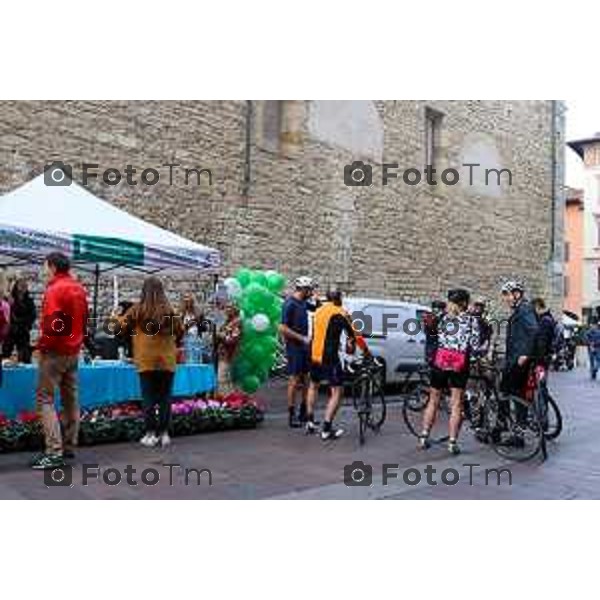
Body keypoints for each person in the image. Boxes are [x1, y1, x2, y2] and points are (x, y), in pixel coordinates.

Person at [31, 252, 88, 470]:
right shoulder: (78, 288)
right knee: (70, 397)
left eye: (45, 266)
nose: (44, 271)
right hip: (73, 351)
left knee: (45, 398)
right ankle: (69, 445)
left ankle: (54, 451)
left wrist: (43, 345)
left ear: (53, 266)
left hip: (55, 351)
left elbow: (56, 323)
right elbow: (82, 320)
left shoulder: (55, 289)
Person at [117, 277, 183, 448]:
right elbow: (180, 330)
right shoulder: (169, 310)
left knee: (148, 397)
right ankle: (165, 434)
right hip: (167, 359)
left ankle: (150, 433)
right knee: (165, 397)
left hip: (145, 359)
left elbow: (120, 327)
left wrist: (116, 316)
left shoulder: (137, 310)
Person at [418, 289, 480, 455]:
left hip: (441, 361)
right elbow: (474, 345)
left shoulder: (442, 318)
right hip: (459, 364)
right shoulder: (471, 321)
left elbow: (434, 337)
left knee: (433, 400)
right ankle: (452, 442)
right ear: (465, 303)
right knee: (456, 404)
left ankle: (424, 436)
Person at [305, 289, 369, 440]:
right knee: (337, 391)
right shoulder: (341, 313)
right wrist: (367, 352)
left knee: (313, 385)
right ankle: (326, 429)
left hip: (314, 354)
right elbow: (356, 336)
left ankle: (309, 421)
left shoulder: (319, 311)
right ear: (339, 298)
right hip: (329, 357)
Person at [499, 281, 539, 433]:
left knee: (506, 392)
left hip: (517, 360)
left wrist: (525, 354)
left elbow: (534, 330)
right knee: (517, 395)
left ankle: (503, 426)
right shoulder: (521, 309)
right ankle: (516, 429)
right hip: (514, 359)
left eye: (507, 295)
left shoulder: (524, 309)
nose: (506, 299)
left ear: (517, 294)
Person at [280, 276, 315, 428]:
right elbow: (282, 328)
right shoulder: (290, 304)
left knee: (307, 379)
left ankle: (304, 413)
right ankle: (291, 414)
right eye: (310, 290)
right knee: (294, 380)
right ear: (303, 289)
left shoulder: (304, 303)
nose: (312, 292)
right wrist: (301, 338)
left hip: (306, 347)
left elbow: (316, 308)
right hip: (295, 347)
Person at [3, 277, 35, 363]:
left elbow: (32, 316)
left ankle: (26, 371)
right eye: (21, 285)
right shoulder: (10, 299)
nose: (23, 287)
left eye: (25, 285)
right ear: (16, 286)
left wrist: (25, 325)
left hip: (23, 330)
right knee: (6, 352)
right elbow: (6, 315)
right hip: (11, 330)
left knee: (25, 355)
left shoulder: (29, 301)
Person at [216, 303, 241, 395]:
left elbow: (232, 340)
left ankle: (228, 402)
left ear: (235, 309)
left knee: (223, 379)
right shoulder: (227, 321)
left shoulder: (237, 322)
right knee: (226, 380)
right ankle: (229, 401)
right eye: (226, 307)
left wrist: (220, 335)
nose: (227, 309)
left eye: (230, 307)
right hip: (223, 354)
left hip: (230, 355)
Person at [531, 297, 557, 369]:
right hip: (544, 357)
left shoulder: (544, 320)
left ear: (537, 306)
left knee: (539, 377)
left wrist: (537, 359)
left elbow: (542, 341)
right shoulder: (547, 318)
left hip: (541, 358)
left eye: (533, 309)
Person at [180, 292, 204, 363]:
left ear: (192, 300)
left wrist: (198, 321)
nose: (186, 300)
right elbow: (179, 327)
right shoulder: (181, 313)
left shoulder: (198, 313)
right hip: (185, 339)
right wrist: (188, 325)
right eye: (185, 298)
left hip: (196, 338)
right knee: (187, 359)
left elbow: (203, 327)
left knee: (196, 359)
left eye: (188, 298)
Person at [423, 300, 446, 366]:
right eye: (436, 309)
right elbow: (431, 329)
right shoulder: (429, 317)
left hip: (442, 346)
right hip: (432, 345)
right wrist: (437, 318)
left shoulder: (445, 317)